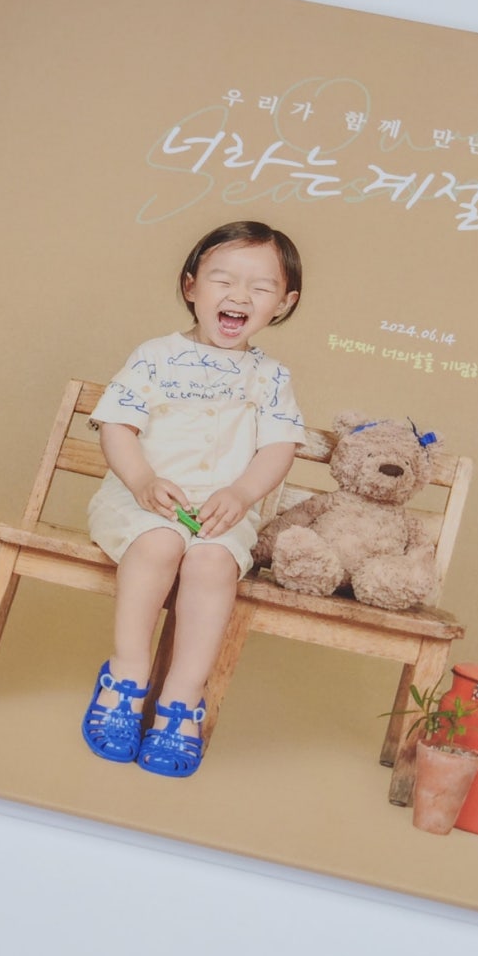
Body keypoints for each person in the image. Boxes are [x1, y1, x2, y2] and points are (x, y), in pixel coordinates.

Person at [82, 220, 304, 778]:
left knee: (211, 562)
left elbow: (278, 448)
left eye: (261, 287)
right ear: (191, 287)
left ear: (284, 303)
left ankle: (181, 698)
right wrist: (141, 480)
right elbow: (117, 426)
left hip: (220, 513)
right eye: (223, 280)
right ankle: (125, 676)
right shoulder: (155, 356)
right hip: (141, 503)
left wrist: (242, 492)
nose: (239, 296)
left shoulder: (272, 378)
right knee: (160, 543)